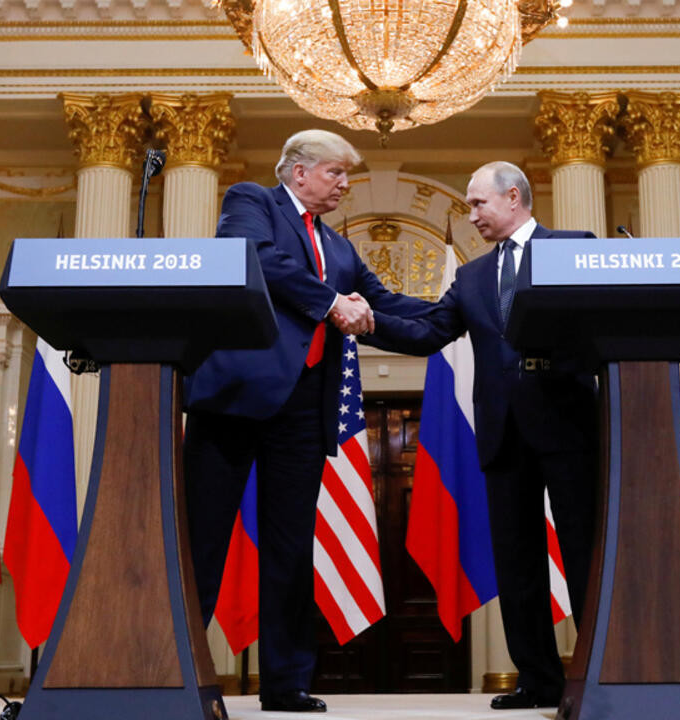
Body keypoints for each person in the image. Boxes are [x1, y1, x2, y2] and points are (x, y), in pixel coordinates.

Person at [183, 129, 432, 713]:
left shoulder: (340, 249)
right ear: (298, 172)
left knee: (291, 547)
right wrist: (329, 303)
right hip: (235, 397)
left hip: (303, 406)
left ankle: (286, 683)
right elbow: (257, 260)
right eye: (336, 173)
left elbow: (385, 305)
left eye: (347, 175)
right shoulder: (253, 202)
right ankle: (174, 665)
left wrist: (462, 311)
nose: (345, 184)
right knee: (203, 538)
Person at [367, 161, 600, 710]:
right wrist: (368, 319)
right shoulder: (471, 277)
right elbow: (429, 330)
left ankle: (601, 668)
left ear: (513, 197)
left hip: (568, 428)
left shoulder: (572, 249)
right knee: (516, 562)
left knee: (586, 552)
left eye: (478, 204)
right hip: (502, 435)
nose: (471, 216)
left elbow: (597, 322)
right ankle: (538, 678)